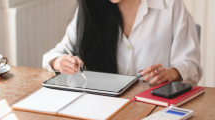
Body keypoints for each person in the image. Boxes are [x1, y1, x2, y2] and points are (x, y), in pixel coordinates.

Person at [43, 0, 203, 85]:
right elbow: (54, 55)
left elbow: (191, 65)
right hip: (103, 105)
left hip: (155, 107)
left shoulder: (171, 5)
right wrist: (59, 62)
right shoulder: (91, 9)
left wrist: (170, 73)